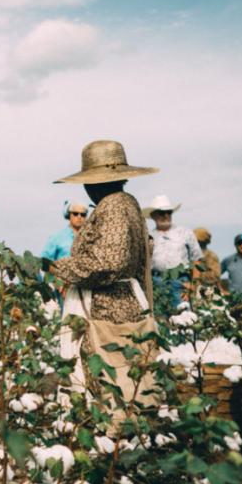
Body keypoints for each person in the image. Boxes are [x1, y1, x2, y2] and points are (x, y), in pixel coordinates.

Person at [49, 140, 158, 396]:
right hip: (124, 301)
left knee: (111, 378)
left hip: (109, 306)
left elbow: (108, 263)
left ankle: (112, 432)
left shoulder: (114, 207)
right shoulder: (126, 204)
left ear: (94, 182)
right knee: (128, 376)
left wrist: (61, 268)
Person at [144, 195, 202, 309]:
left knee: (184, 320)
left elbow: (197, 260)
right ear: (153, 215)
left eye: (168, 212)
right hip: (156, 284)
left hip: (181, 283)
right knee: (161, 322)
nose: (166, 215)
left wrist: (194, 284)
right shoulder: (148, 238)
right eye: (161, 213)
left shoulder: (185, 233)